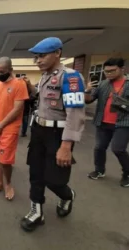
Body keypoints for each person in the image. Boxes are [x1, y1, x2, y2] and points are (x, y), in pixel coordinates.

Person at [20, 37, 85, 232]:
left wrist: (66, 146)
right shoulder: (45, 76)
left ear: (57, 53)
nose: (38, 60)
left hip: (58, 135)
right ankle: (36, 212)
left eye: (42, 56)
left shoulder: (71, 77)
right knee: (36, 173)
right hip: (39, 131)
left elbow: (75, 113)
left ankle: (67, 196)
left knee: (55, 180)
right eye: (36, 57)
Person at [0, 57, 29, 200]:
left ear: (11, 70)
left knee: (5, 160)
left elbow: (17, 109)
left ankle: (8, 184)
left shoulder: (19, 84)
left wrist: (0, 125)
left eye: (2, 72)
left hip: (9, 127)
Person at [85, 58, 129, 187]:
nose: (108, 74)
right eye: (106, 71)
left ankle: (127, 173)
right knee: (99, 148)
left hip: (123, 123)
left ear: (122, 69)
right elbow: (88, 100)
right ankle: (99, 170)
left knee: (118, 149)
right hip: (103, 122)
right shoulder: (103, 84)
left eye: (112, 71)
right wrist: (87, 90)